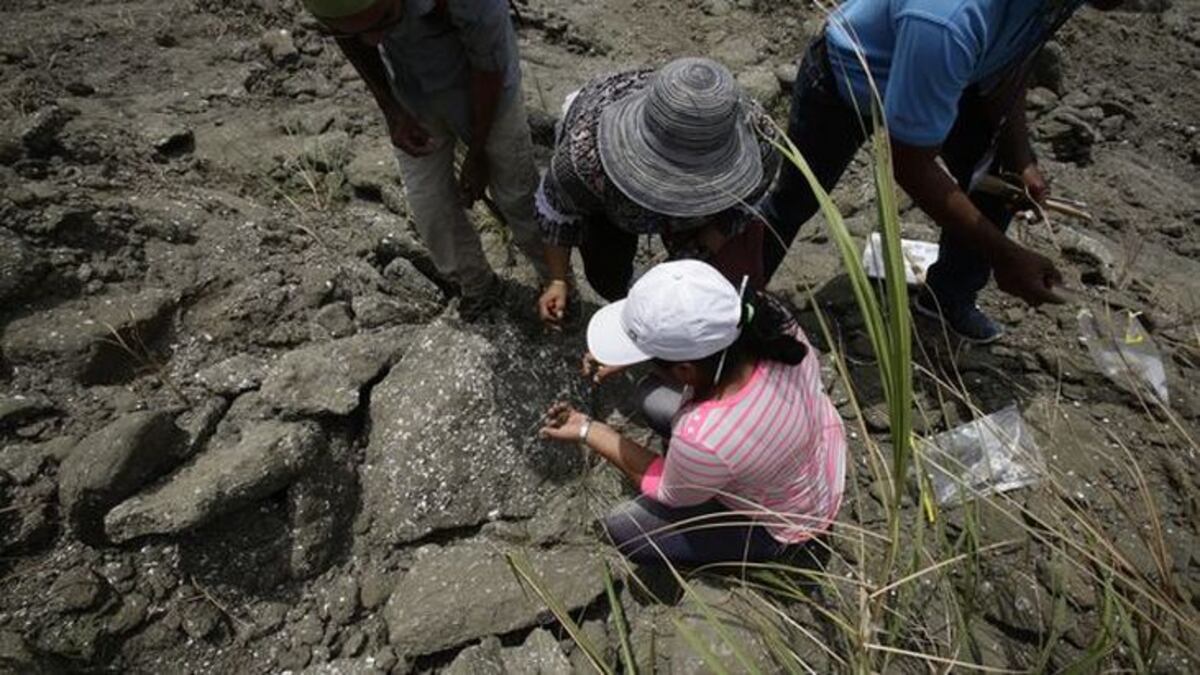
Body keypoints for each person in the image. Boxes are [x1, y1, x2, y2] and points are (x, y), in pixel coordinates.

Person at [760, 0, 1121, 343]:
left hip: (951, 74)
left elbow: (1011, 61)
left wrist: (1020, 157)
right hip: (848, 81)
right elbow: (909, 165)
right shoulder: (948, 18)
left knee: (998, 178)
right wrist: (1006, 258)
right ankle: (732, 309)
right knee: (794, 202)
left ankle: (948, 296)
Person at [539, 260, 847, 566]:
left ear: (686, 367)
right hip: (821, 455)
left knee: (627, 528)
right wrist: (639, 353)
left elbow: (668, 491)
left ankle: (767, 553)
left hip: (787, 520)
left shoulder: (704, 437)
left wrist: (588, 429)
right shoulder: (771, 321)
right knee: (651, 395)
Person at [300, 0, 549, 320]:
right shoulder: (347, 13)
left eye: (384, 21)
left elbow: (488, 69)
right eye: (361, 31)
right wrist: (392, 110)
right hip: (413, 89)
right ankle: (478, 288)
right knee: (429, 204)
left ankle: (555, 278)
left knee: (517, 193)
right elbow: (352, 40)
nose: (374, 40)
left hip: (489, 90)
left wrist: (477, 154)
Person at [535, 57, 781, 329]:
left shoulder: (761, 144)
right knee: (608, 274)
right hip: (611, 201)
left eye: (693, 183)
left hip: (707, 215)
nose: (675, 196)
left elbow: (745, 203)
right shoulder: (586, 159)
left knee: (715, 285)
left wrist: (706, 243)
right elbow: (559, 208)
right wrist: (557, 279)